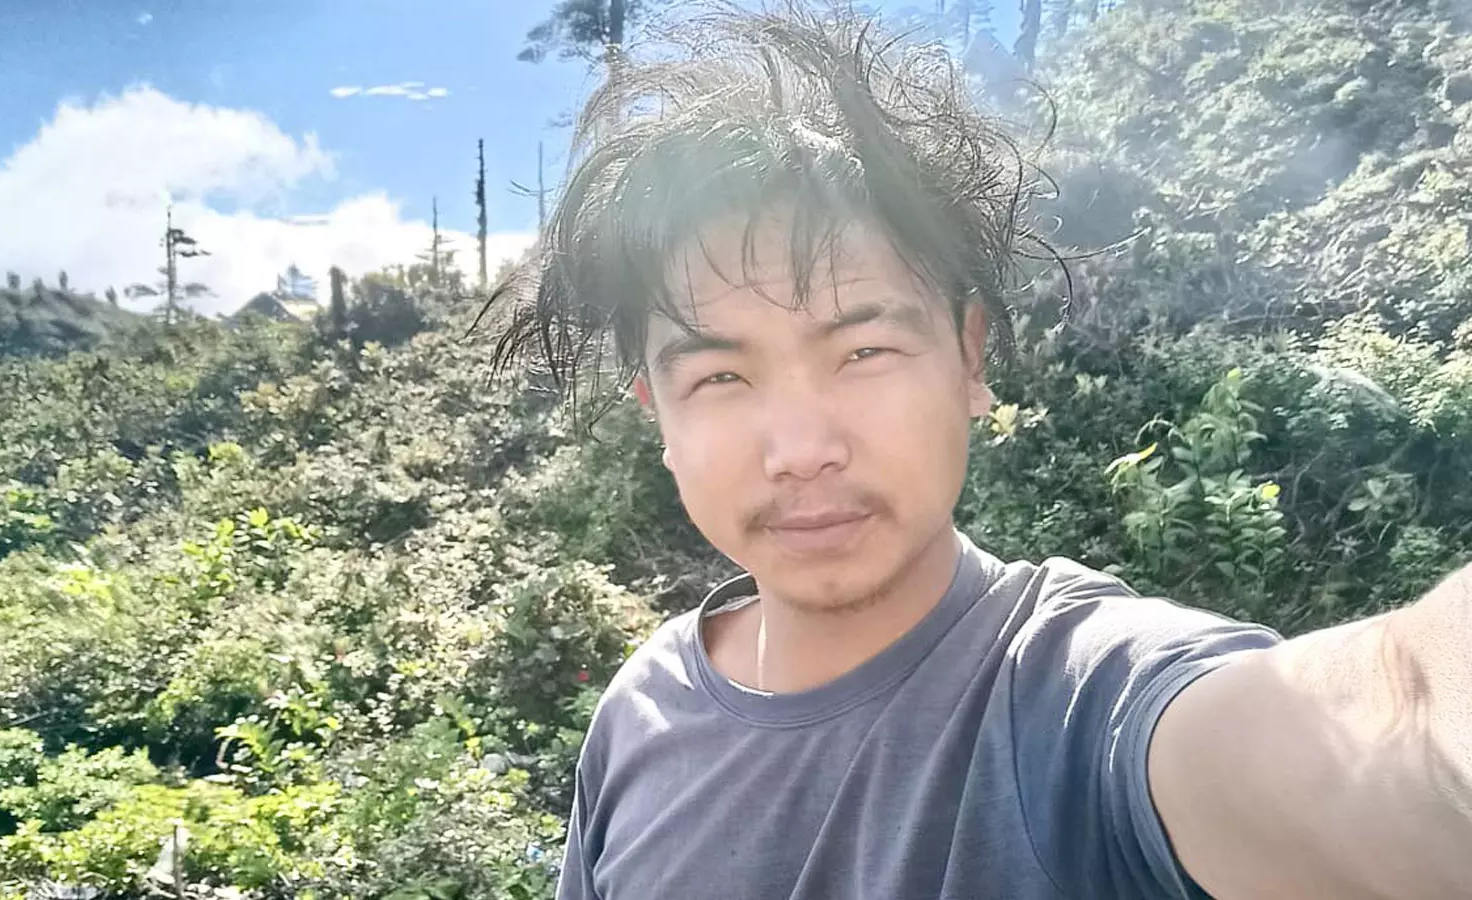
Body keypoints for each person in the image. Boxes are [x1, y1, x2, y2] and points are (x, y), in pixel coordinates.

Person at [484, 5, 1472, 898]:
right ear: (658, 412)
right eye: (720, 377)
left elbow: (1396, 725)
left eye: (864, 352)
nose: (801, 450)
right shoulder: (640, 713)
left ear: (968, 357)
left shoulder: (1073, 697)